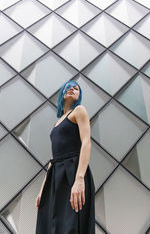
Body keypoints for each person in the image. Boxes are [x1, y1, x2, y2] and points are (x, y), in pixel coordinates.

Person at [35, 80, 95, 234]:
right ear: (62, 93)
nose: (72, 89)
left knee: (70, 224)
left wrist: (80, 178)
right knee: (50, 226)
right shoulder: (56, 124)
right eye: (68, 87)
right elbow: (52, 158)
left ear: (79, 95)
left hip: (72, 172)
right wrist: (43, 189)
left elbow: (86, 142)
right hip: (55, 175)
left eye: (76, 88)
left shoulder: (79, 111)